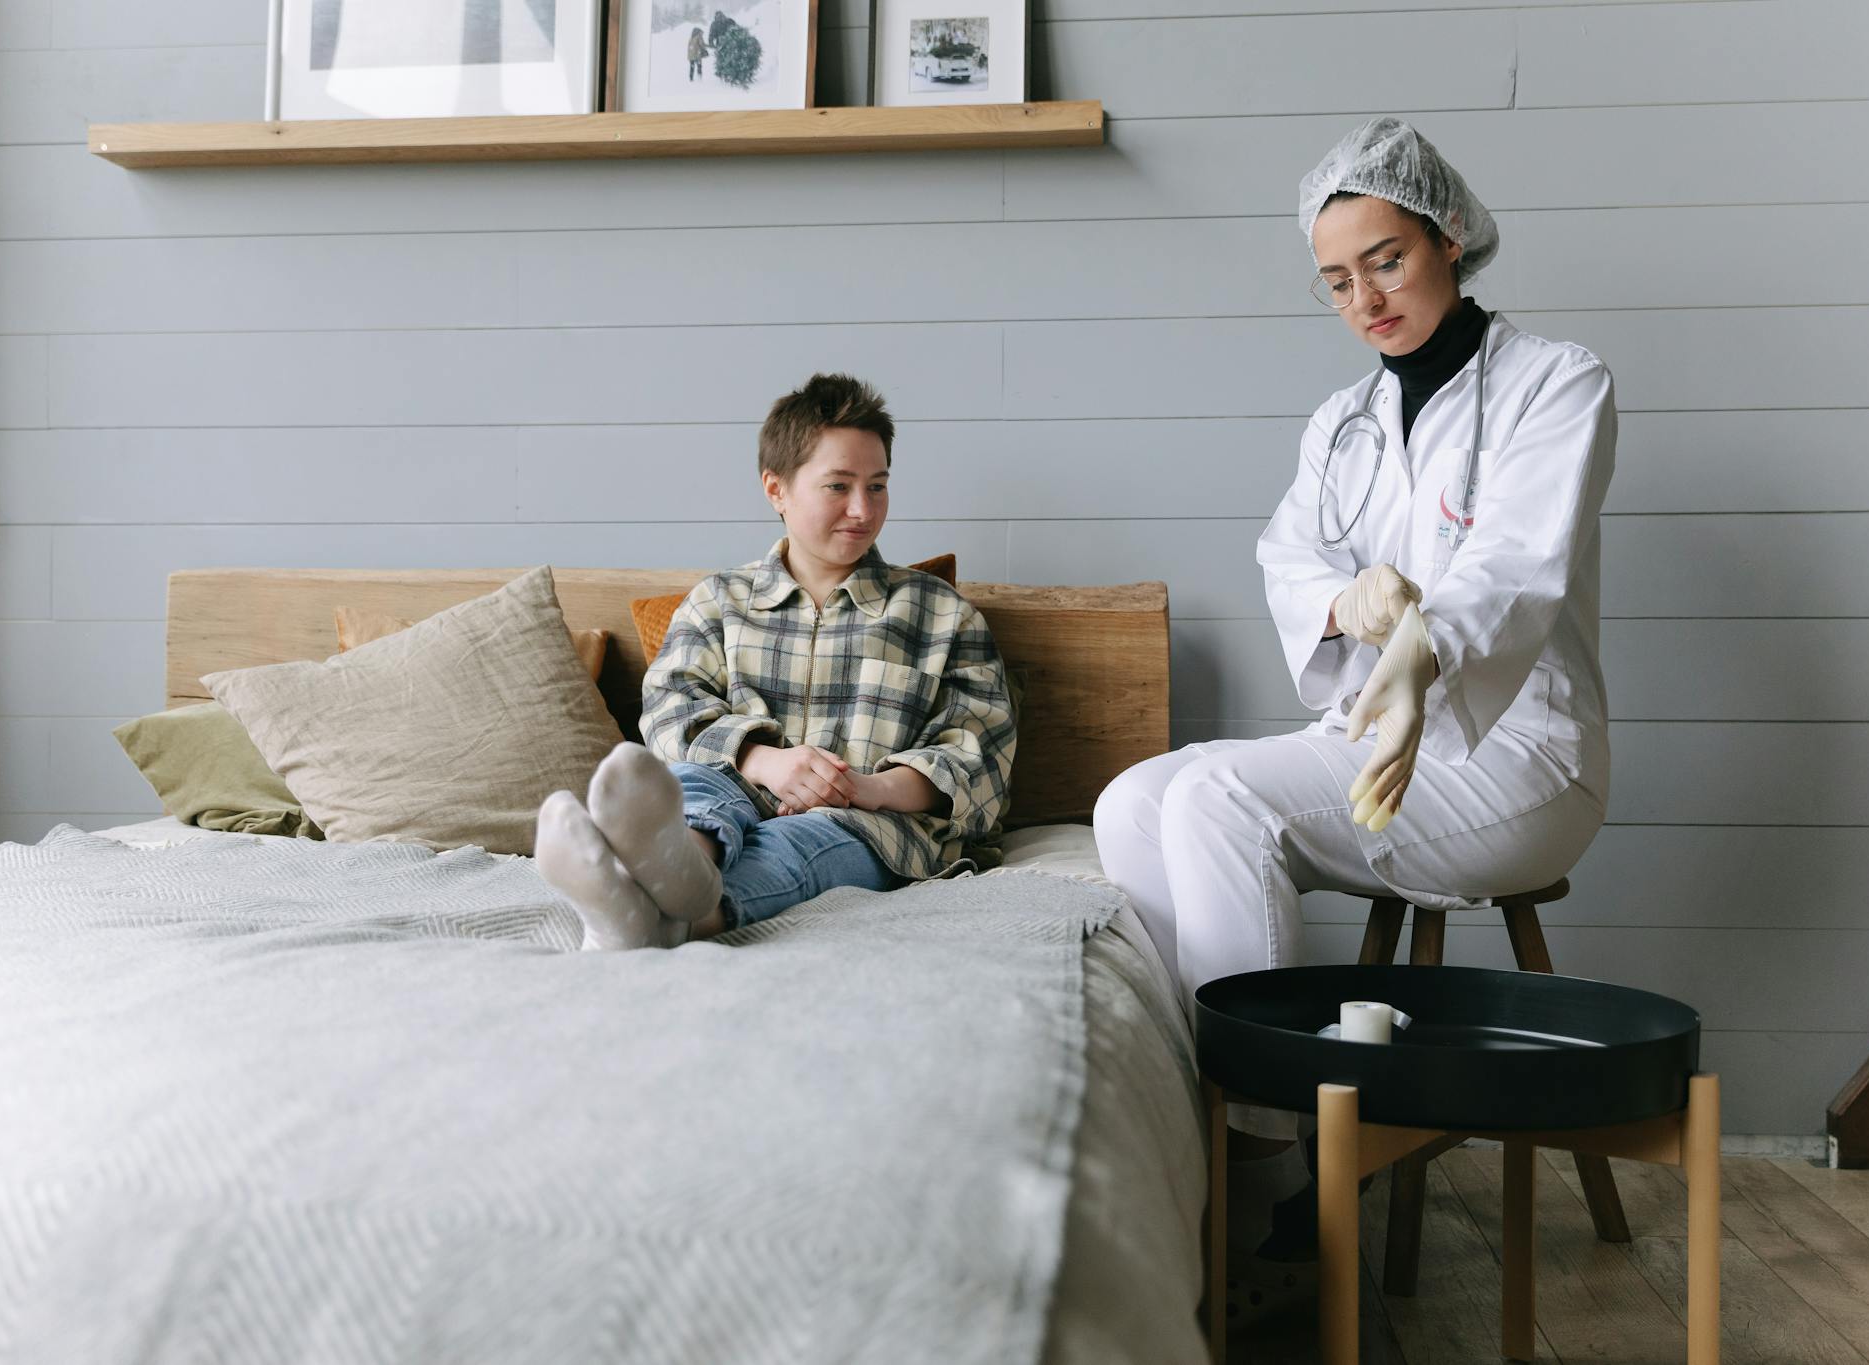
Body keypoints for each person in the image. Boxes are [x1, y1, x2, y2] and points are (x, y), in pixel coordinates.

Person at [1092, 115, 1617, 1303]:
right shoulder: (1337, 426)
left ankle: (1276, 1179)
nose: (1363, 297)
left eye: (1384, 259)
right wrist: (1346, 603)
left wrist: (1425, 637)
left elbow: (1517, 569)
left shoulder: (1557, 382)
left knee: (1222, 796)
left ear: (1447, 236)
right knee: (1133, 797)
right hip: (1372, 744)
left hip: (1516, 753)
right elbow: (1290, 563)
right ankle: (1212, 1131)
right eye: (1335, 279)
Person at [534, 373, 1017, 950]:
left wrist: (866, 788)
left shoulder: (940, 614)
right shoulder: (718, 601)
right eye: (838, 486)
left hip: (867, 824)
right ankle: (672, 870)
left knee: (804, 845)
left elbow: (977, 756)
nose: (863, 509)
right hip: (734, 786)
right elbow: (669, 713)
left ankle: (657, 910)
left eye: (878, 486)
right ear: (776, 489)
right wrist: (763, 761)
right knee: (697, 787)